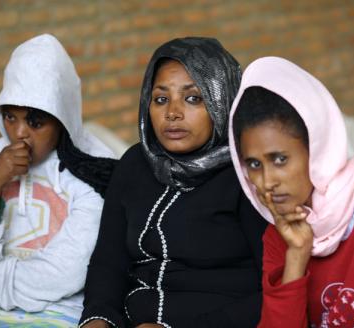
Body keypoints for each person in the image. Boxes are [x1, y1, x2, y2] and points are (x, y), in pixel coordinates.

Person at [79, 37, 267, 328]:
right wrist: (98, 317)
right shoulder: (134, 164)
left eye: (193, 98)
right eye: (161, 99)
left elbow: (276, 289)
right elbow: (108, 260)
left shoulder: (248, 174)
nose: (172, 113)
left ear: (222, 100)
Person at [229, 56, 354, 327]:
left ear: (317, 148)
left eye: (280, 159)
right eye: (253, 164)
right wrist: (297, 256)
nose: (266, 181)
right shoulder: (280, 233)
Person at [0, 34, 117, 327]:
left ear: (62, 117)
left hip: (69, 311)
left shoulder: (95, 167)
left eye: (35, 121)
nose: (19, 133)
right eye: (10, 117)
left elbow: (68, 273)